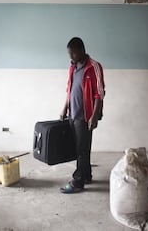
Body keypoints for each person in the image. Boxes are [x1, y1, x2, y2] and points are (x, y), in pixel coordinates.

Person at [59, 37, 105, 194]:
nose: (70, 57)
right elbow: (69, 89)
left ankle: (78, 181)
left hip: (85, 116)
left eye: (73, 53)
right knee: (80, 148)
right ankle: (86, 175)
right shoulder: (73, 67)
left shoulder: (94, 67)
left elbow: (99, 94)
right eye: (69, 54)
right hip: (72, 114)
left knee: (81, 149)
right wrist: (64, 108)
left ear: (81, 50)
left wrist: (94, 116)